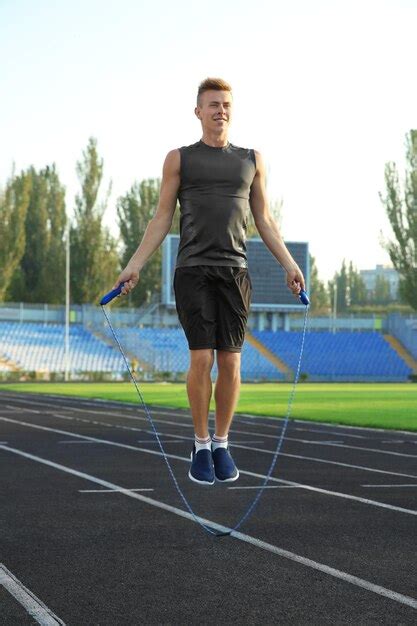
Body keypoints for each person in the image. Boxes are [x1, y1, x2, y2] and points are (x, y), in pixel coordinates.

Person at [111, 77, 306, 486]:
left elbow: (264, 220)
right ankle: (200, 444)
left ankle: (222, 442)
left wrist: (289, 264)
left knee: (232, 362)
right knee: (201, 359)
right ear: (198, 111)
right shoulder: (179, 159)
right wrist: (134, 264)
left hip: (235, 272)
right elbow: (162, 217)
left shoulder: (251, 159)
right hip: (193, 270)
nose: (221, 110)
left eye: (226, 104)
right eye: (213, 104)